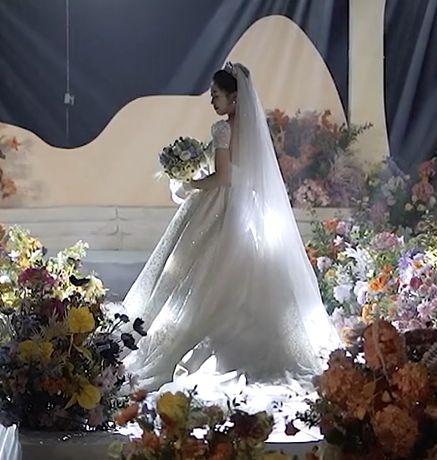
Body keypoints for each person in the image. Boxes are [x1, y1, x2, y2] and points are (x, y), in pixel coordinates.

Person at [122, 62, 339, 392]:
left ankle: (192, 338)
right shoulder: (250, 130)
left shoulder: (222, 130)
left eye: (216, 95)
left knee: (200, 270)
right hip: (244, 206)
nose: (212, 100)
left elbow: (223, 177)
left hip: (220, 205)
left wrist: (190, 184)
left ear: (234, 98)